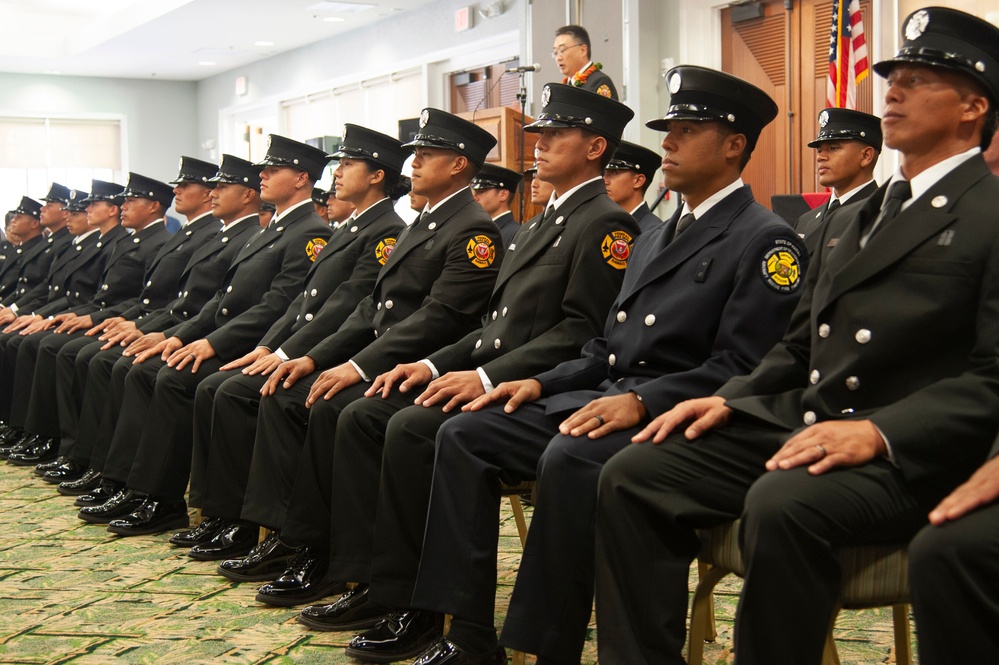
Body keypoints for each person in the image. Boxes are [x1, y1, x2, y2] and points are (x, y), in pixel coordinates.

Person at [594, 8, 999, 665]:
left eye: (920, 80)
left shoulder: (988, 213)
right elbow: (798, 343)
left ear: (972, 107)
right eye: (893, 77)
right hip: (805, 419)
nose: (891, 91)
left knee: (784, 502)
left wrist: (877, 431)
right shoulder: (851, 217)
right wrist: (732, 396)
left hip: (906, 447)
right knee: (634, 471)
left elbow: (991, 373)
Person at [377, 66, 807, 665]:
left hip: (674, 414)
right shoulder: (658, 237)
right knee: (467, 431)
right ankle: (467, 634)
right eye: (669, 130)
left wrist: (642, 400)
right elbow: (604, 347)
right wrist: (533, 381)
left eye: (686, 130)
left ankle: (548, 646)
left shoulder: (765, 239)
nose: (669, 144)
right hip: (607, 395)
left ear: (734, 145)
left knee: (572, 455)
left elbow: (747, 364)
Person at [288, 86, 638, 661]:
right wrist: (428, 364)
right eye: (540, 135)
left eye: (556, 136)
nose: (540, 145)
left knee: (407, 425)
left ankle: (437, 614)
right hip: (494, 372)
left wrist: (482, 377)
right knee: (371, 411)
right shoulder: (542, 219)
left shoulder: (605, 225)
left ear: (596, 147)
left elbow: (579, 332)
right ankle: (380, 587)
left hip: (545, 388)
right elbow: (494, 325)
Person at [213, 109, 502, 610]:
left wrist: (358, 366)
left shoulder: (473, 230)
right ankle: (309, 546)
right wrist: (317, 358)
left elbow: (440, 317)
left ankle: (340, 560)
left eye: (426, 155)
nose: (412, 163)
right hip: (383, 357)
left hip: (422, 362)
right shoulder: (427, 220)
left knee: (340, 410)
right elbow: (372, 303)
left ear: (459, 166)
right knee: (296, 394)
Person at [173, 124, 408, 560]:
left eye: (348, 164)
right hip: (306, 344)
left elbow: (347, 306)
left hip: (338, 352)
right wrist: (270, 347)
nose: (336, 173)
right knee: (224, 387)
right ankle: (226, 515)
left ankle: (271, 526)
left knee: (251, 393)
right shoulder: (351, 225)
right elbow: (301, 301)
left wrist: (293, 354)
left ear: (377, 176)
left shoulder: (386, 231)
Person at [79, 135, 333, 536]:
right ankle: (142, 488)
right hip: (231, 337)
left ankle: (204, 508)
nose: (263, 174)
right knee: (152, 367)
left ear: (302, 178)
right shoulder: (272, 229)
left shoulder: (310, 232)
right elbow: (220, 299)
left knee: (181, 379)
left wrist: (211, 342)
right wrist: (179, 337)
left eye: (273, 169)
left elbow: (276, 305)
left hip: (254, 344)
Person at [43, 157, 263, 488]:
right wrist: (146, 327)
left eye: (220, 186)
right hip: (185, 327)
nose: (214, 193)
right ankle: (105, 468)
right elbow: (190, 301)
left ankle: (130, 479)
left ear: (247, 195)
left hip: (217, 337)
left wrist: (164, 333)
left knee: (119, 363)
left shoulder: (239, 235)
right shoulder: (216, 234)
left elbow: (230, 305)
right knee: (98, 356)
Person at [0, 173, 175, 463]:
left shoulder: (155, 241)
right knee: (38, 342)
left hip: (125, 320)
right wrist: (42, 314)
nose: (124, 207)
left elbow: (143, 299)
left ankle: (73, 447)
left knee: (58, 349)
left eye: (93, 206)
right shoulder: (124, 240)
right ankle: (41, 433)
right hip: (108, 316)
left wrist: (97, 319)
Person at [795, 108, 881, 254]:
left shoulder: (882, 214)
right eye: (819, 150)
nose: (820, 157)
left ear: (866, 156)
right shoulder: (805, 220)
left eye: (833, 148)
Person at [603, 140, 663, 232]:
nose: (604, 180)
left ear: (638, 181)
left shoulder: (654, 231)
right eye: (604, 173)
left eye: (613, 173)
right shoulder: (606, 224)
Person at [553, 25, 617, 99]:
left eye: (562, 50)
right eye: (555, 52)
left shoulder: (599, 82)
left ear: (583, 50)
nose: (558, 58)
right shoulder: (566, 85)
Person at [470, 163, 521, 248]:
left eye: (481, 191)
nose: (475, 197)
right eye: (475, 192)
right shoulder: (478, 229)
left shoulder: (516, 234)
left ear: (503, 195)